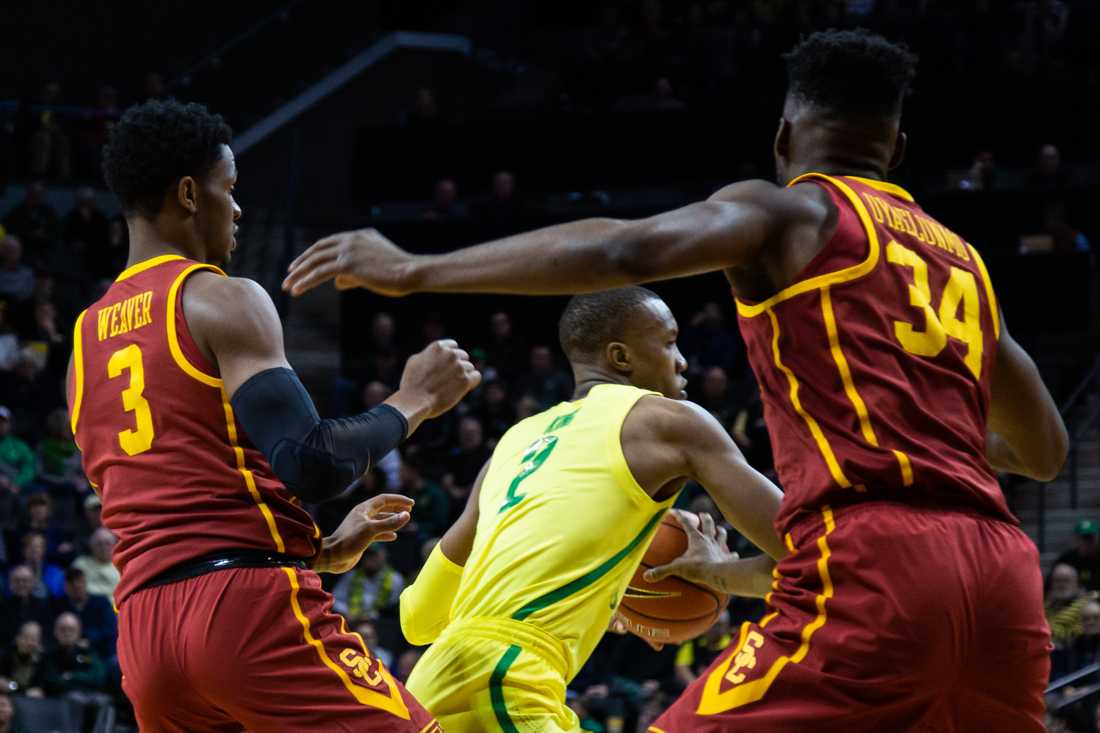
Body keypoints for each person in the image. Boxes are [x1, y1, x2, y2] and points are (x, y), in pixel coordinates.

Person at [285, 29, 1068, 731]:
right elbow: (1043, 450)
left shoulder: (793, 215)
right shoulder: (963, 264)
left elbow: (630, 250)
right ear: (898, 149)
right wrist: (917, 440)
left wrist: (415, 268)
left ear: (784, 136)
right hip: (1001, 575)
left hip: (874, 560)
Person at [69, 99, 479, 731]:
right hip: (245, 614)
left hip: (146, 636)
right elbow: (311, 462)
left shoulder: (82, 347)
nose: (237, 209)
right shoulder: (219, 299)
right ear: (187, 193)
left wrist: (319, 549)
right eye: (227, 189)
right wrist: (415, 399)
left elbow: (176, 511)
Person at [397, 287, 785, 731]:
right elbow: (814, 553)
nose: (681, 360)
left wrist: (598, 594)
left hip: (434, 687)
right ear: (621, 357)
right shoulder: (669, 422)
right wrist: (715, 573)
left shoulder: (514, 442)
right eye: (669, 342)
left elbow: (418, 620)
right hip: (507, 681)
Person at [1057, 519, 1100, 591]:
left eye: (1090, 538)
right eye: (1083, 538)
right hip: (1071, 598)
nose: (1086, 542)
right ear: (1076, 539)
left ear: (1096, 539)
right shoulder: (1067, 559)